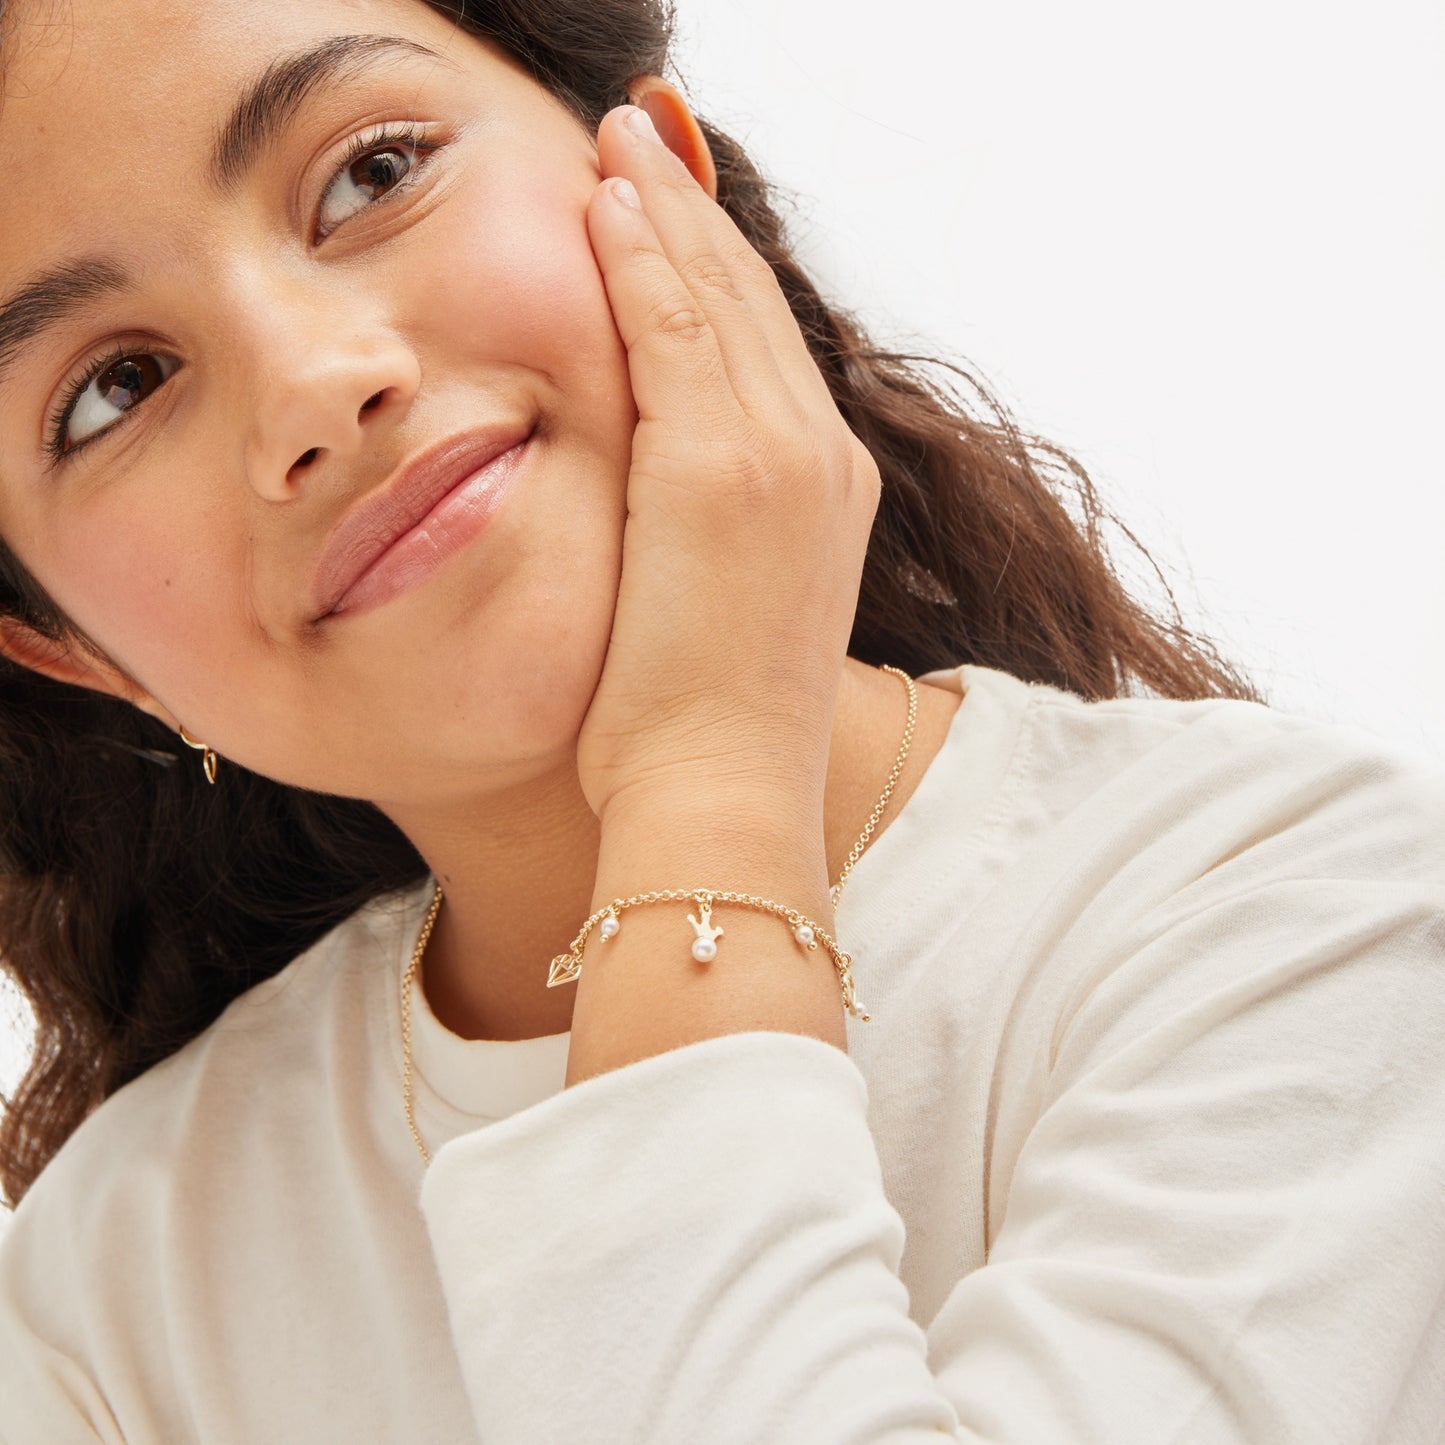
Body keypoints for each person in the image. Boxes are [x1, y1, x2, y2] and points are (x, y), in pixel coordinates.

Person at [0, 0, 1440, 1440]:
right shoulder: (104, 1306)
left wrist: (704, 768)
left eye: (371, 172)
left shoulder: (1301, 912)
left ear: (662, 183)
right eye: (112, 390)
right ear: (75, 647)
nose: (314, 382)